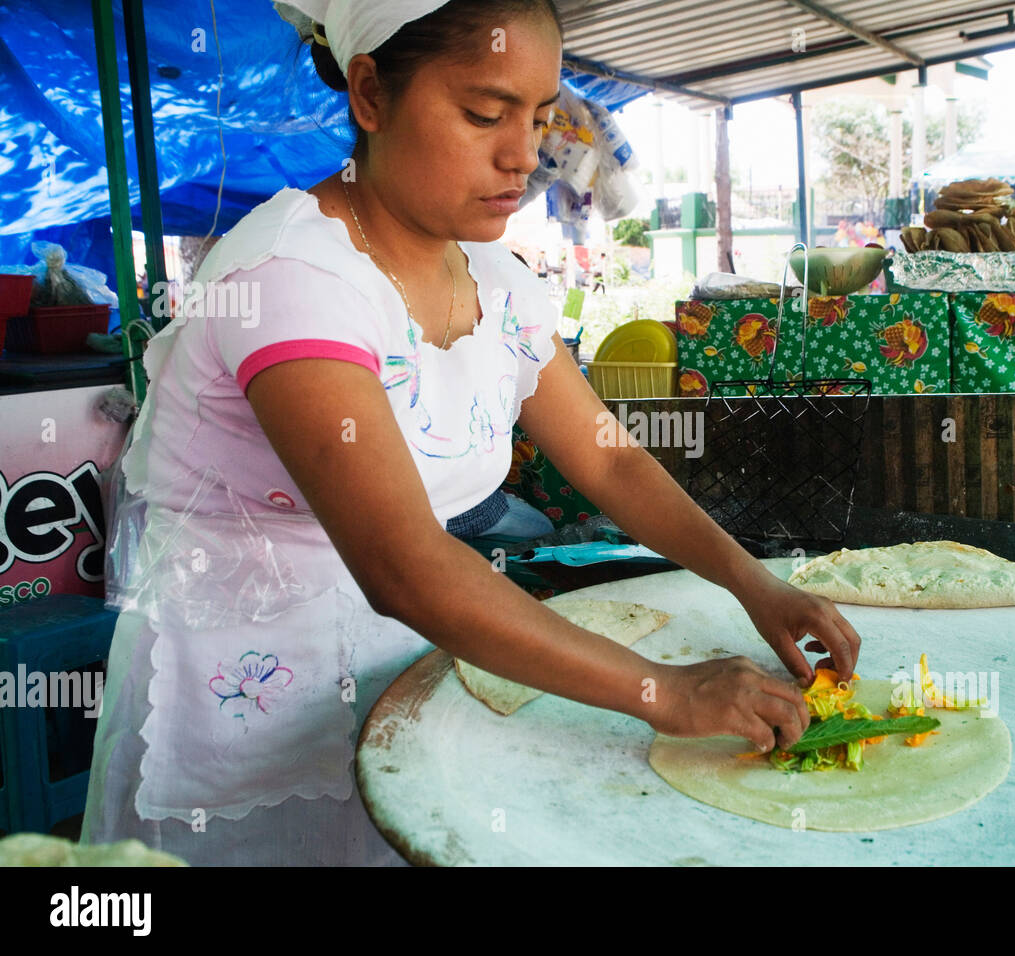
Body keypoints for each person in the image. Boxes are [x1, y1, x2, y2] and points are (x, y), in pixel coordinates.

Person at [81, 0, 859, 866]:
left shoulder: (496, 278)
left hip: (411, 675)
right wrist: (663, 692)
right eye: (484, 114)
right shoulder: (292, 277)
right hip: (249, 704)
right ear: (371, 94)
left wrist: (752, 584)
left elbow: (612, 461)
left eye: (537, 117)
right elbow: (406, 566)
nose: (524, 155)